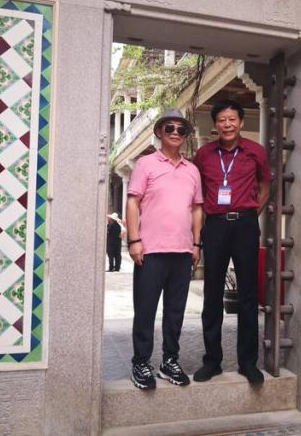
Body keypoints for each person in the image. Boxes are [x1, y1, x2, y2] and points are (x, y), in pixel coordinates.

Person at [193, 99, 271, 385]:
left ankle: (248, 363)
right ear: (216, 124)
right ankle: (212, 361)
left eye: (232, 119)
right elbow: (197, 192)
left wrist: (249, 213)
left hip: (245, 225)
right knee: (212, 293)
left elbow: (265, 186)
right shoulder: (204, 154)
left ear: (240, 122)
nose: (227, 124)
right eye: (222, 120)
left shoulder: (255, 151)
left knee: (248, 295)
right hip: (214, 226)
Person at [126, 109, 203, 390]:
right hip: (151, 251)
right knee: (145, 310)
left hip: (182, 252)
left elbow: (197, 208)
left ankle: (169, 360)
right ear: (159, 132)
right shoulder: (145, 164)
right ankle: (140, 362)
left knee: (175, 311)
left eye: (181, 129)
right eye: (169, 127)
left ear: (185, 135)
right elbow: (132, 202)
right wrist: (134, 240)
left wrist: (196, 244)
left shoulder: (192, 170)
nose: (175, 132)